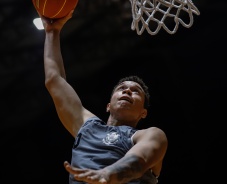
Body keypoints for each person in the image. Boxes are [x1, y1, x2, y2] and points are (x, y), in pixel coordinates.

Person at [36, 9, 168, 184]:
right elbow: (54, 81)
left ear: (143, 113)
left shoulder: (149, 135)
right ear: (108, 105)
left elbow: (139, 160)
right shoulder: (87, 126)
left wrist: (108, 174)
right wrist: (52, 31)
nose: (127, 91)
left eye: (136, 92)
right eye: (122, 88)